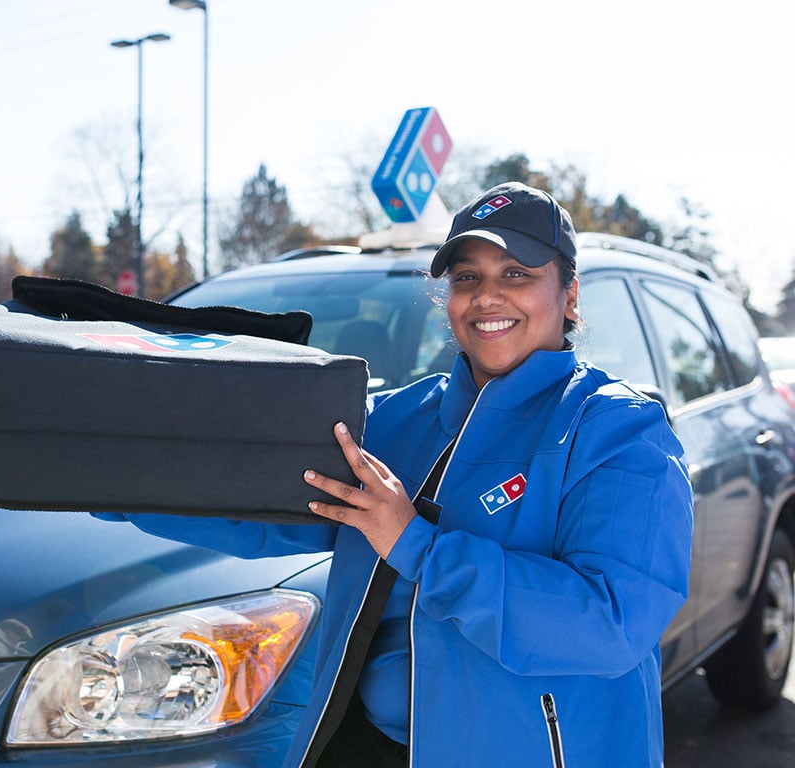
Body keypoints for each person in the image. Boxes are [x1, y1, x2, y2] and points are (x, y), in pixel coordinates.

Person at [95, 181, 694, 767]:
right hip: (369, 741)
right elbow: (263, 504)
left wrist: (417, 545)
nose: (488, 296)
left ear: (568, 295)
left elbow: (613, 622)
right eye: (467, 278)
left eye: (517, 273)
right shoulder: (397, 419)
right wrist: (105, 484)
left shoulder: (616, 430)